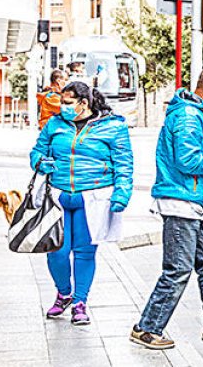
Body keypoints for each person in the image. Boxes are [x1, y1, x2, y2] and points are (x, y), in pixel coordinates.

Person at [130, 63, 203, 350]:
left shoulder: (194, 114)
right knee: (178, 269)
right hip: (180, 202)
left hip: (191, 203)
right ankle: (147, 328)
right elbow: (187, 160)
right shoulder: (188, 117)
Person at [29, 81, 133, 325]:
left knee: (85, 252)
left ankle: (80, 302)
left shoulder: (113, 127)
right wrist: (39, 162)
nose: (61, 107)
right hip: (58, 196)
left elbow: (124, 163)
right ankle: (64, 293)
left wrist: (122, 193)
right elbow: (37, 150)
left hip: (94, 198)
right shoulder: (54, 124)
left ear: (83, 103)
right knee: (56, 251)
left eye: (67, 103)